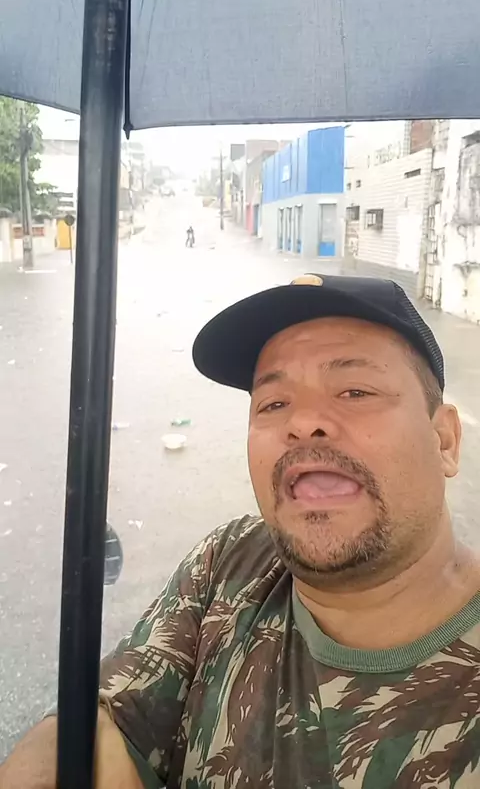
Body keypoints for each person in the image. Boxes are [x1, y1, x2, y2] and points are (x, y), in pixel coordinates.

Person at [3, 273, 480, 789]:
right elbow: (96, 724)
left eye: (355, 391)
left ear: (444, 440)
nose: (303, 422)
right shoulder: (230, 562)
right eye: (273, 404)